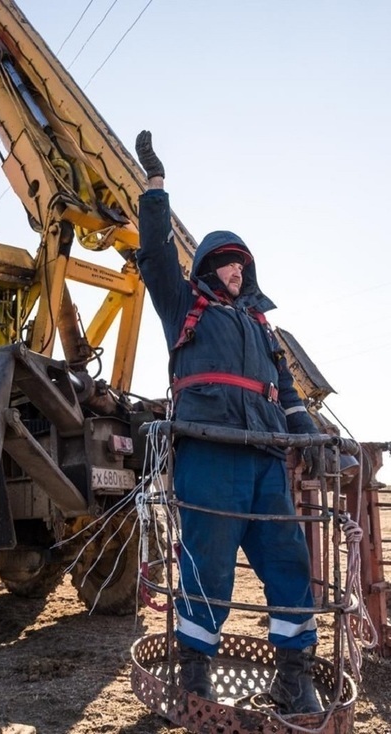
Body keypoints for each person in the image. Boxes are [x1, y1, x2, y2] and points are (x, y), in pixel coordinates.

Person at [135, 130, 323, 715]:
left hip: (265, 461)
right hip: (210, 455)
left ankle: (294, 678)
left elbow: (287, 393)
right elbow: (156, 253)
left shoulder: (262, 330)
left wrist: (308, 435)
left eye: (241, 264)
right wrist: (156, 189)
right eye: (224, 263)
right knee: (207, 568)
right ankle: (195, 680)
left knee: (290, 562)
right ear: (207, 270)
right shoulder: (183, 307)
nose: (235, 271)